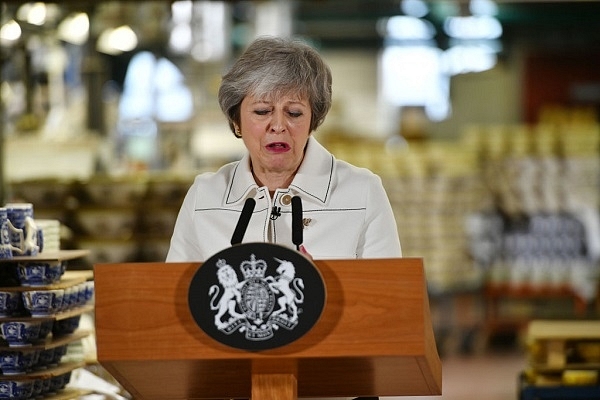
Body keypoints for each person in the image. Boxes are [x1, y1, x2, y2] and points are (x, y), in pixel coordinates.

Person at [166, 36, 401, 263]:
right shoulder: (204, 196)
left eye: (294, 113)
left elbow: (388, 295)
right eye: (262, 111)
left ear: (313, 120)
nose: (278, 126)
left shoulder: (362, 192)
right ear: (236, 120)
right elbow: (173, 295)